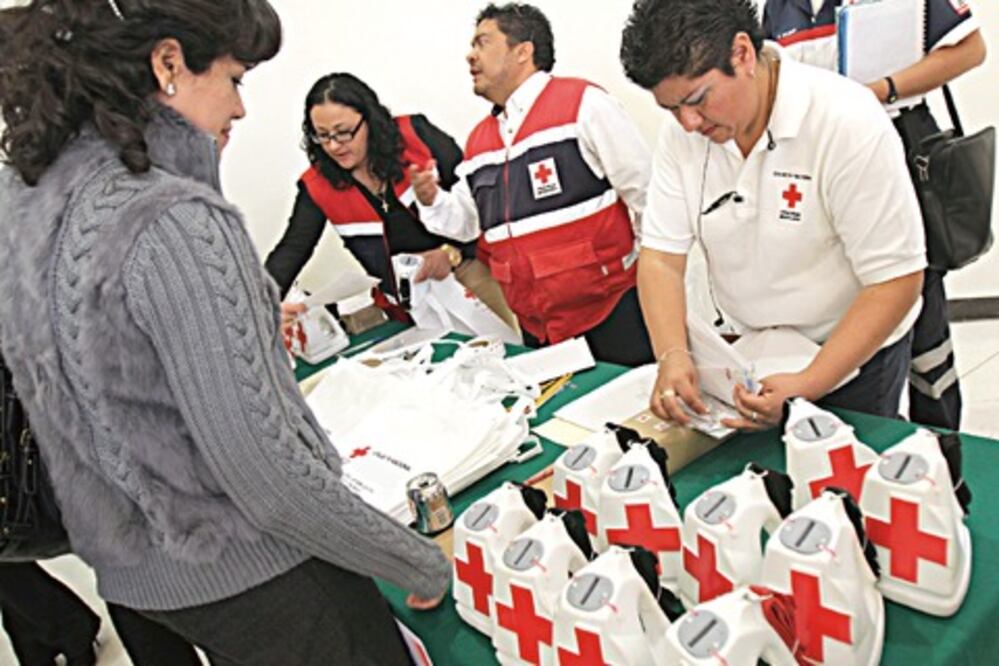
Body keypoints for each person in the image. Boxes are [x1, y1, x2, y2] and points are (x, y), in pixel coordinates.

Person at [0, 1, 448, 664]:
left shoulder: (24, 202)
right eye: (236, 79)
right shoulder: (172, 218)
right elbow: (266, 475)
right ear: (169, 63)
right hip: (260, 579)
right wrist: (416, 562)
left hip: (132, 581)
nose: (240, 109)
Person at [620, 0, 927, 429]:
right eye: (671, 108)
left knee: (848, 477)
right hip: (756, 352)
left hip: (850, 353)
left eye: (696, 100)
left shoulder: (845, 119)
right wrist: (672, 355)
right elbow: (661, 259)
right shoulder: (683, 136)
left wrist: (811, 381)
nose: (688, 122)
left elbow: (896, 280)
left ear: (742, 53)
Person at [761, 0, 987, 431]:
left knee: (919, 307)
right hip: (818, 159)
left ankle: (939, 444)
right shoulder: (778, 8)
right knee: (844, 293)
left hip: (898, 144)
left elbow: (970, 49)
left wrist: (879, 90)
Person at [410, 2, 654, 367]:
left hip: (612, 312)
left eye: (482, 42)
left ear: (523, 51)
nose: (469, 55)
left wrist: (655, 283)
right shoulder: (479, 142)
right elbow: (464, 222)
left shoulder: (584, 104)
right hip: (537, 328)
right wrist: (430, 199)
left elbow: (647, 196)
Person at [265, 72, 518, 333]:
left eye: (343, 133)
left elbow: (483, 202)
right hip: (404, 302)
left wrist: (450, 253)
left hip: (464, 273)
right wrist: (257, 303)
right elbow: (292, 250)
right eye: (322, 136)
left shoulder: (417, 138)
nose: (334, 146)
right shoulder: (318, 184)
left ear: (369, 121)